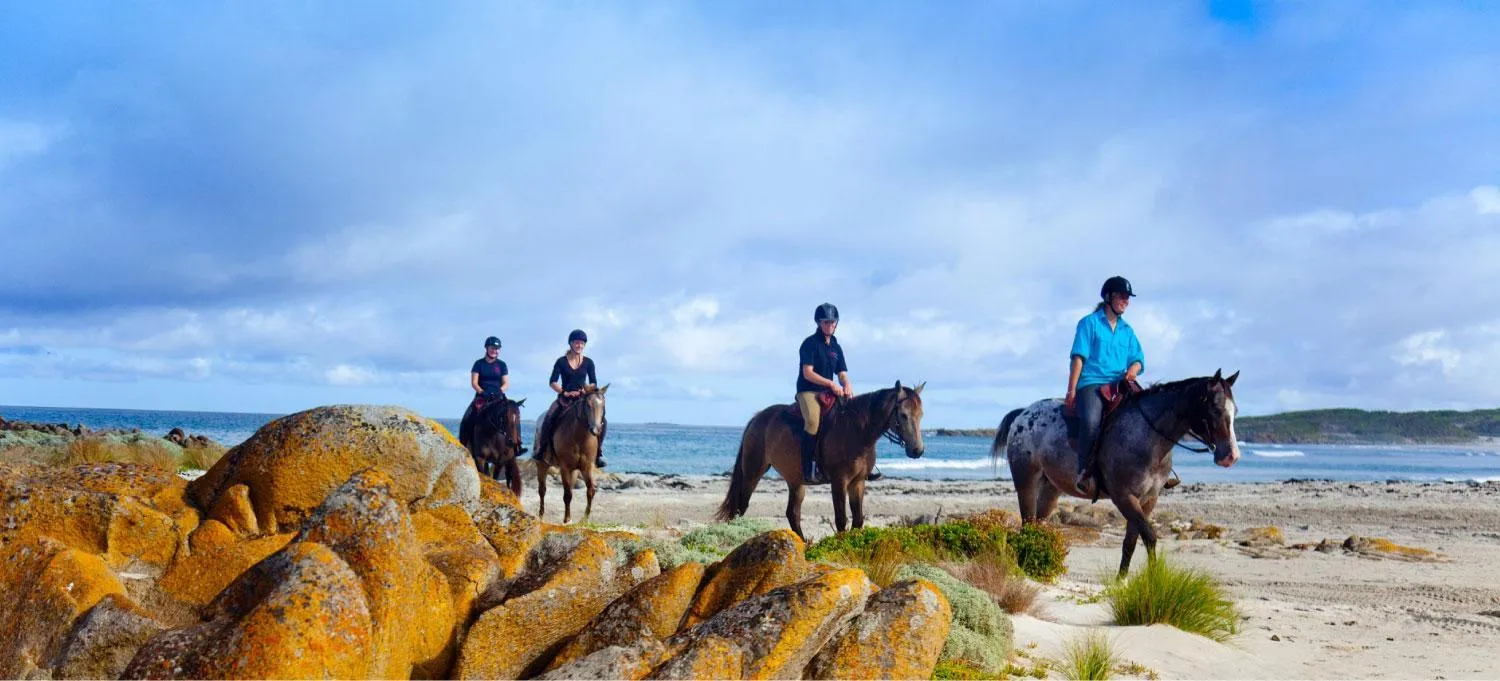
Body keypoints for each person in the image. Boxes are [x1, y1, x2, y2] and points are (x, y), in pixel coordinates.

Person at [1066, 276, 1146, 495]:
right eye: (1122, 296)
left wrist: (1134, 369)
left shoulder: (1127, 331)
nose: (1126, 301)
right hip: (1091, 384)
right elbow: (1078, 359)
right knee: (1091, 423)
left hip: (1120, 385)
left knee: (1147, 416)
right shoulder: (1089, 323)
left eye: (1128, 298)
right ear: (1109, 297)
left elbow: (1138, 359)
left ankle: (1151, 470)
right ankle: (1085, 473)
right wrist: (1072, 390)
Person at [795, 303, 881, 485]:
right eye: (826, 322)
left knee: (857, 416)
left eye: (833, 322)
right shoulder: (810, 344)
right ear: (819, 323)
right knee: (812, 421)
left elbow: (841, 372)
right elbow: (807, 372)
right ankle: (808, 467)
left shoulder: (836, 347)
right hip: (809, 391)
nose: (830, 325)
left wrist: (847, 385)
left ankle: (867, 464)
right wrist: (830, 384)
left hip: (831, 391)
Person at [534, 329, 607, 466]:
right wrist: (564, 392)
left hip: (583, 398)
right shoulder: (561, 362)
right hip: (565, 398)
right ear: (571, 344)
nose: (579, 345)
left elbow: (593, 382)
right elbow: (553, 382)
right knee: (549, 417)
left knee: (603, 421)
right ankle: (542, 450)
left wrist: (585, 389)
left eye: (581, 343)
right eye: (576, 342)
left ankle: (598, 453)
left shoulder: (589, 362)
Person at [459, 336, 511, 448]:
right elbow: (474, 382)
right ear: (487, 348)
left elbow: (506, 383)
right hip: (482, 397)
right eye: (492, 348)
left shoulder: (502, 365)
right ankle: (463, 445)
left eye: (497, 349)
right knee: (467, 418)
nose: (495, 351)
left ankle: (516, 445)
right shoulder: (478, 364)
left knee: (512, 417)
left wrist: (499, 391)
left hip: (498, 397)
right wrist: (482, 392)